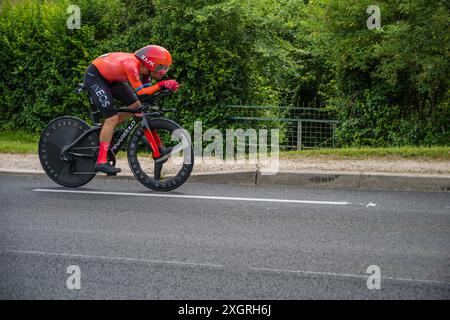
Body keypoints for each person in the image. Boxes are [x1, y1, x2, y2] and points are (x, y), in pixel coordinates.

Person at [83, 45, 179, 174]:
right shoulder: (132, 65)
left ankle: (109, 127)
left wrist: (164, 88)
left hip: (111, 78)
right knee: (111, 118)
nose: (163, 71)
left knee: (136, 106)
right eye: (161, 67)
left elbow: (146, 97)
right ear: (151, 63)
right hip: (95, 76)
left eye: (165, 68)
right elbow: (142, 93)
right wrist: (162, 85)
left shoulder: (145, 71)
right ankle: (101, 161)